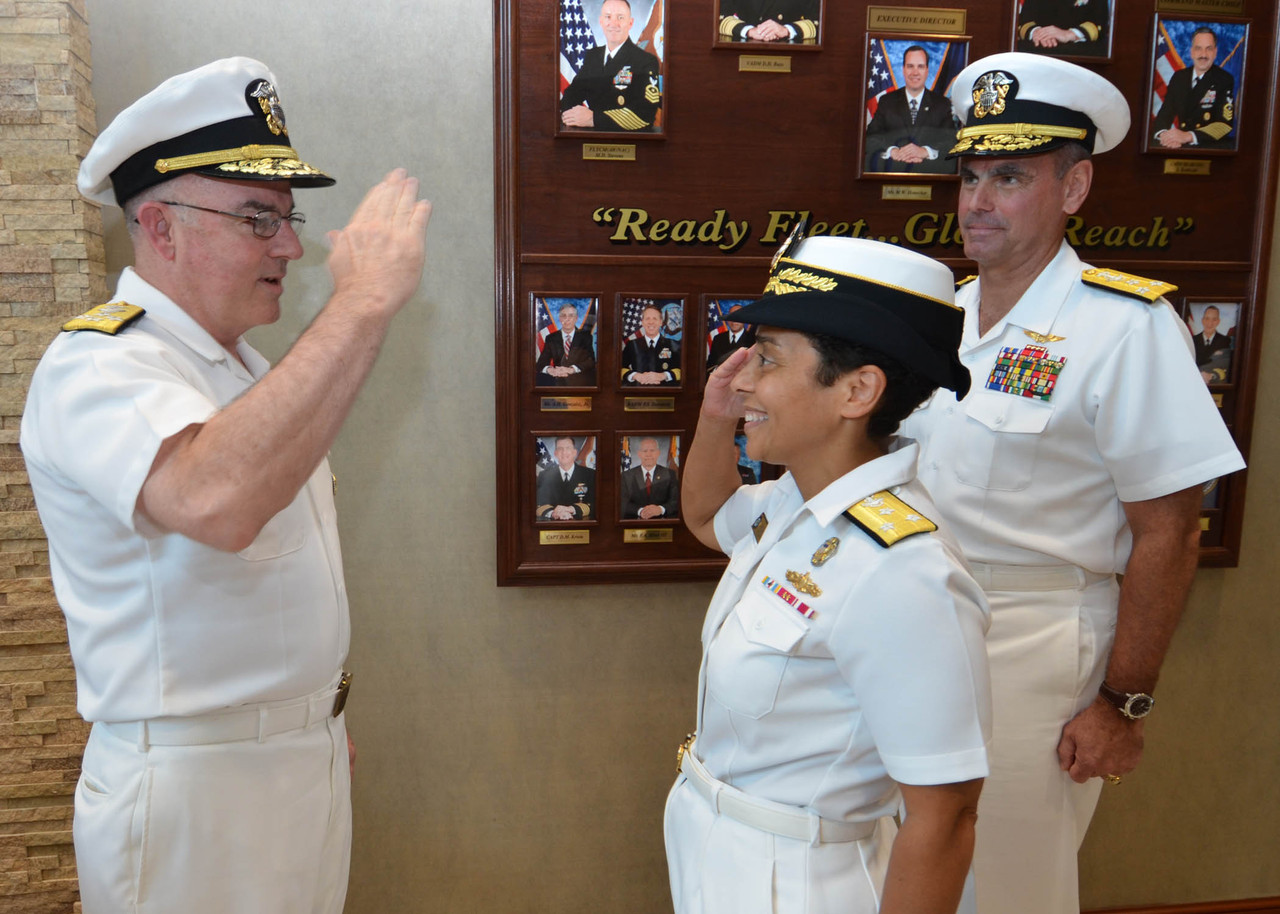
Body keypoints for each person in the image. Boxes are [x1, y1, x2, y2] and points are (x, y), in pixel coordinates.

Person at [19, 58, 431, 914]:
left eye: (287, 218)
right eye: (257, 218)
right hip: (194, 796)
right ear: (160, 227)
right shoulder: (99, 364)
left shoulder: (241, 370)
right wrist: (359, 304)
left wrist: (306, 721)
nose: (290, 246)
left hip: (294, 765)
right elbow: (216, 501)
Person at [902, 52, 1246, 914]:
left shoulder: (1125, 327)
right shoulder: (938, 315)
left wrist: (1122, 703)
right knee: (906, 875)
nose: (977, 201)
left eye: (1010, 177)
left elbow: (1171, 530)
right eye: (969, 176)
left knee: (1005, 886)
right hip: (914, 630)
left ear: (1076, 186)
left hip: (1035, 644)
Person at [666, 229, 992, 914]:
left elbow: (945, 816)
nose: (743, 378)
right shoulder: (796, 498)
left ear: (857, 390)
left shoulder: (904, 570)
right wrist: (717, 417)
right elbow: (709, 516)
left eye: (767, 359)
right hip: (717, 852)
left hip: (798, 881)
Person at [560, 0, 662, 132]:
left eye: (620, 17)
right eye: (608, 17)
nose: (613, 24)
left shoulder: (645, 61)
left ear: (630, 23)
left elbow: (646, 113)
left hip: (629, 138)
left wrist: (594, 119)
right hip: (591, 137)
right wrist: (571, 116)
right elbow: (572, 94)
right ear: (601, 21)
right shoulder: (593, 56)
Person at [865, 45, 958, 174]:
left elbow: (951, 142)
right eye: (910, 66)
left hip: (929, 175)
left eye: (920, 66)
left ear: (927, 70)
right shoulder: (887, 101)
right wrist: (893, 151)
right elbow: (870, 138)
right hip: (893, 173)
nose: (915, 72)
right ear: (903, 69)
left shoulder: (942, 104)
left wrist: (925, 151)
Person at [1152, 27, 1235, 150]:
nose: (1203, 55)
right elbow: (1165, 114)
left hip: (1207, 146)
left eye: (1209, 49)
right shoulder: (1179, 77)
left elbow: (1224, 124)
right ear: (1191, 52)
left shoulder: (1224, 79)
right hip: (1178, 145)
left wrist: (1189, 136)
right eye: (1198, 48)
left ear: (1215, 52)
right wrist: (1164, 135)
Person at [1015, 0, 1109, 57]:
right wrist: (1037, 32)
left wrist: (1069, 34)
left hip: (1080, 55)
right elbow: (1024, 21)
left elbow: (1099, 22)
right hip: (1037, 50)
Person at [536, 436, 596, 520]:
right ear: (555, 453)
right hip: (553, 524)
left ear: (574, 452)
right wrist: (553, 513)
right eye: (560, 449)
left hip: (582, 524)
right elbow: (540, 504)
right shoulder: (544, 475)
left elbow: (595, 503)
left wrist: (571, 509)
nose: (564, 452)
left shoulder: (590, 474)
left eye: (568, 448)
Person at [537, 301, 596, 386]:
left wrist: (572, 369)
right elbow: (541, 363)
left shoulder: (585, 336)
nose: (567, 319)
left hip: (580, 383)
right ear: (560, 318)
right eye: (564, 316)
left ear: (576, 318)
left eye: (571, 316)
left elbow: (591, 361)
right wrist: (550, 370)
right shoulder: (551, 338)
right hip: (558, 383)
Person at [621, 303, 681, 385]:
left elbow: (682, 370)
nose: (651, 322)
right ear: (642, 322)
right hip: (638, 391)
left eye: (655, 319)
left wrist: (663, 375)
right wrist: (635, 375)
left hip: (665, 391)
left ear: (661, 322)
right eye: (647, 318)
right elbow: (619, 368)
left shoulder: (673, 344)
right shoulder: (632, 345)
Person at [620, 437, 680, 519]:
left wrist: (660, 509)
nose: (648, 454)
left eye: (652, 450)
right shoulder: (627, 475)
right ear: (639, 454)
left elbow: (675, 501)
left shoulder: (670, 474)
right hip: (635, 521)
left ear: (658, 453)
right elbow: (622, 502)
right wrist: (640, 511)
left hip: (662, 521)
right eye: (645, 451)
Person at [717, 0, 819, 43]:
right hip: (742, 50)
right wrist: (749, 31)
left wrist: (787, 30)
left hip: (793, 53)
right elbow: (718, 17)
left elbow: (819, 21)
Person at [706, 304, 756, 372]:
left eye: (738, 317)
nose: (734, 321)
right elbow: (710, 365)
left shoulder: (753, 339)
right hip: (721, 376)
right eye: (731, 317)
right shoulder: (718, 339)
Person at [1193, 305, 1232, 383]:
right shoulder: (1193, 340)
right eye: (1207, 319)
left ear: (1218, 321)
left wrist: (1211, 375)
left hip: (1215, 382)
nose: (1210, 323)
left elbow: (1224, 364)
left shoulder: (1225, 341)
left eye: (1214, 319)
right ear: (1202, 320)